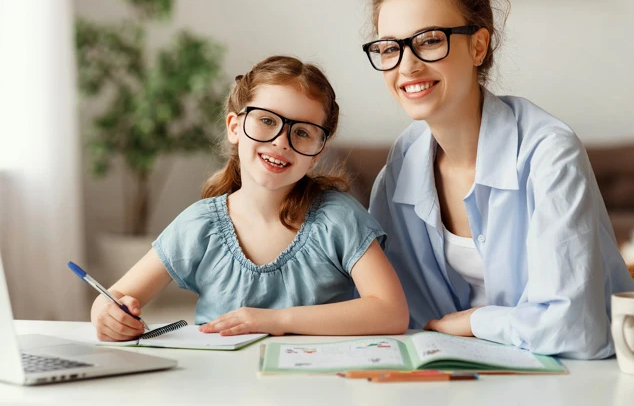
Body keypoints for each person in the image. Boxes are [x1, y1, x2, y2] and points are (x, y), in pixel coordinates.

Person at [362, 0, 634, 359]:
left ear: (477, 45)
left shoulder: (549, 154)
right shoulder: (403, 162)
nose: (407, 65)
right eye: (389, 48)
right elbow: (380, 300)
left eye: (429, 39)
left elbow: (573, 328)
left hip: (576, 381)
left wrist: (472, 321)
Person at [91, 55, 409, 341]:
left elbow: (391, 312)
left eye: (302, 132)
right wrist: (107, 314)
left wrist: (273, 320)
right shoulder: (199, 224)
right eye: (267, 121)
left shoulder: (338, 218)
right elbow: (115, 295)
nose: (281, 142)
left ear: (316, 153)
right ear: (234, 127)